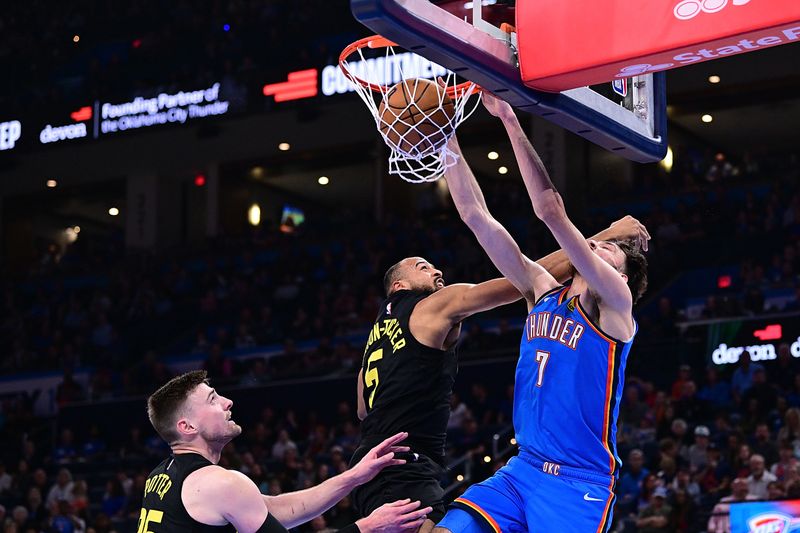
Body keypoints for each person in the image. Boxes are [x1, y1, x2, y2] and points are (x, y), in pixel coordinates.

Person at [434, 92, 649, 533]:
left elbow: (550, 210)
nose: (598, 244)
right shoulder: (541, 291)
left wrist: (511, 120)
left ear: (623, 278)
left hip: (577, 483)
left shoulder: (615, 309)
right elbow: (476, 215)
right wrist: (444, 135)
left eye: (610, 249)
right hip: (523, 469)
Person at [352, 224, 647, 531]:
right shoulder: (432, 305)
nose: (437, 271)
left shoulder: (376, 338)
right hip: (402, 460)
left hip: (370, 460)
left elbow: (363, 408)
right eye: (423, 267)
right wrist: (601, 239)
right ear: (399, 287)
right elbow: (512, 284)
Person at [139, 370, 431, 533]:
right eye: (213, 400)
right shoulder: (220, 483)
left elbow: (272, 510)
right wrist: (368, 528)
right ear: (187, 426)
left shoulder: (161, 476)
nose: (228, 402)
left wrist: (354, 477)